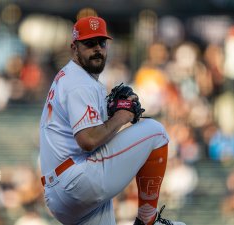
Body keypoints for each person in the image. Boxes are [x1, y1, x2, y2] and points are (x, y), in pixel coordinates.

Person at [39, 16, 186, 225]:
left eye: (101, 42)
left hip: (61, 193)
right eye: (89, 44)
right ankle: (148, 220)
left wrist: (109, 115)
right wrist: (121, 117)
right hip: (76, 180)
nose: (97, 48)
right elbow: (88, 140)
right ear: (74, 48)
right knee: (156, 132)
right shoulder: (79, 82)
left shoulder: (72, 77)